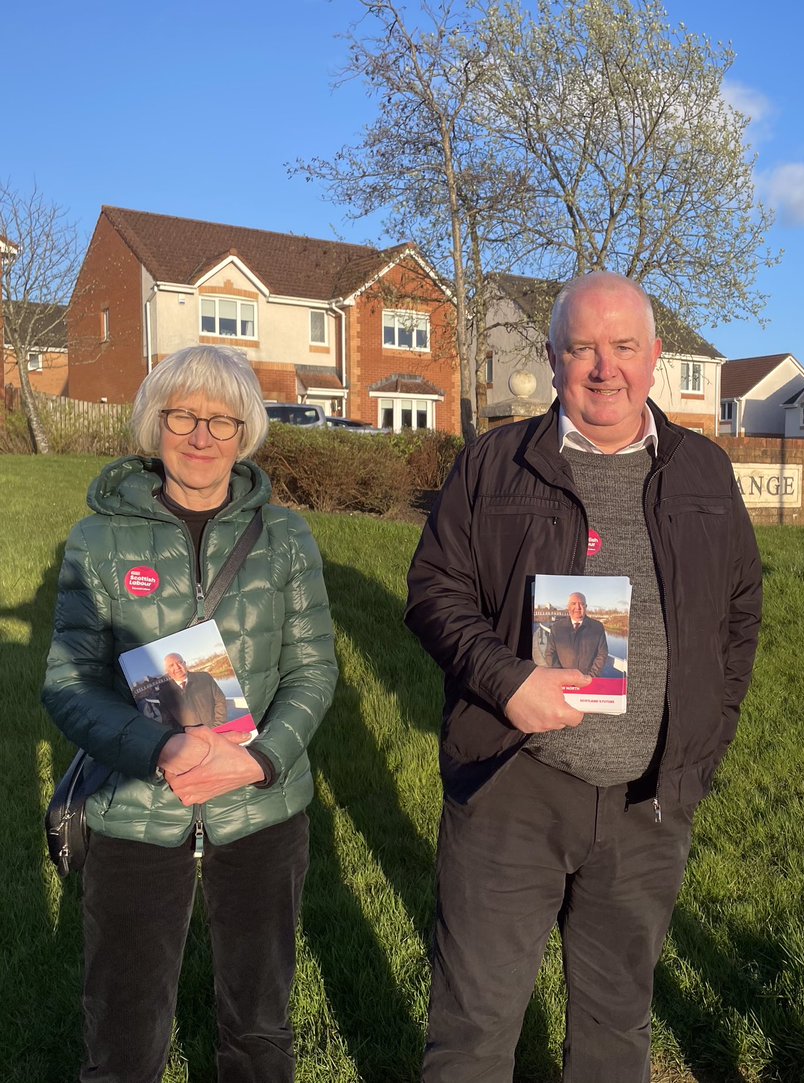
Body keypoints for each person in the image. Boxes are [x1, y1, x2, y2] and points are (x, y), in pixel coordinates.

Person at [405, 270, 761, 1082]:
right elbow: (434, 590)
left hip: (648, 801)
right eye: (583, 348)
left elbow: (741, 613)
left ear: (655, 356)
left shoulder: (704, 469)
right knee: (473, 1025)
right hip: (514, 783)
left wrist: (702, 744)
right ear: (554, 356)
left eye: (624, 347)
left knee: (614, 1028)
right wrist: (503, 678)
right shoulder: (495, 463)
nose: (605, 368)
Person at [43, 344, 338, 1083]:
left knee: (260, 1028)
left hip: (260, 811)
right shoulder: (98, 541)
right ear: (154, 421)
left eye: (221, 419)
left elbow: (313, 669)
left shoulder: (287, 539)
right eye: (183, 414)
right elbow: (68, 682)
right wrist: (158, 751)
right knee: (122, 1033)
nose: (201, 434)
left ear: (246, 432)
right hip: (137, 808)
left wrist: (262, 758)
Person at [158, 652, 228, 731]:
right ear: (167, 670)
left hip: (217, 729)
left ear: (185, 664)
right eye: (171, 665)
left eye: (179, 662)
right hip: (191, 738)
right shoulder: (164, 694)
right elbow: (168, 721)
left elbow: (220, 700)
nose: (177, 667)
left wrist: (218, 726)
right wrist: (185, 736)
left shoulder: (204, 677)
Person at [545, 591, 609, 676]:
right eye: (573, 603)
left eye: (581, 604)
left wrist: (591, 676)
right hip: (563, 680)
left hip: (589, 680)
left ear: (586, 607)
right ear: (568, 607)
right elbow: (550, 654)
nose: (578, 607)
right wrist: (561, 675)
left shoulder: (597, 628)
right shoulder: (557, 628)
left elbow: (602, 654)